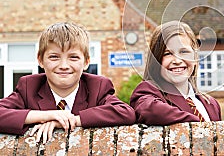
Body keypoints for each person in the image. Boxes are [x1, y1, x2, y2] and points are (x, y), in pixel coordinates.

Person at [0, 22, 136, 143]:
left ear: (86, 61)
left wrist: (71, 120)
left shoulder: (97, 86)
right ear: (40, 60)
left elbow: (125, 112)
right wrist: (48, 115)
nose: (64, 65)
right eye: (54, 57)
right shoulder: (29, 87)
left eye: (73, 57)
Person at [130, 20, 221, 125]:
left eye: (184, 52)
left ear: (195, 57)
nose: (177, 61)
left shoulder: (211, 104)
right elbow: (151, 111)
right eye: (168, 53)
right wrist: (200, 125)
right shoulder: (148, 92)